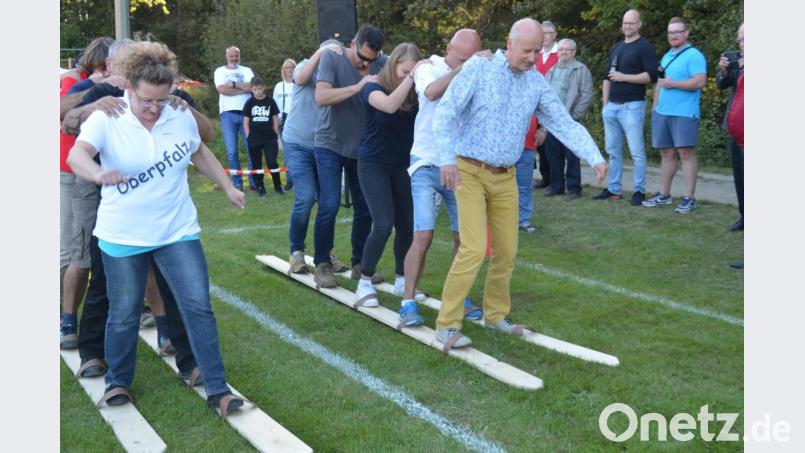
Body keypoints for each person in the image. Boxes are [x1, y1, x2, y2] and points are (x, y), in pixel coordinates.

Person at [67, 41, 247, 415]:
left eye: (160, 101)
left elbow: (198, 150)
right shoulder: (108, 117)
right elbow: (76, 154)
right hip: (122, 236)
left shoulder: (177, 112)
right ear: (129, 88)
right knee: (124, 312)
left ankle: (217, 388)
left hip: (176, 230)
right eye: (146, 100)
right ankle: (118, 383)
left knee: (198, 306)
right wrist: (98, 173)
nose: (153, 109)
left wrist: (228, 185)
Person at [433, 19, 607, 348]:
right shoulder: (478, 69)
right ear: (509, 43)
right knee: (472, 248)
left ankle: (495, 315)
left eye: (537, 50)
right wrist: (444, 159)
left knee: (507, 252)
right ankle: (447, 324)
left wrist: (595, 157)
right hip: (468, 170)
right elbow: (446, 112)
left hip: (506, 176)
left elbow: (564, 124)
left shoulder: (536, 84)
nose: (532, 57)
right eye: (526, 50)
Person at [403, 28, 483, 318]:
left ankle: (460, 297)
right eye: (461, 57)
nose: (464, 62)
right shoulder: (429, 67)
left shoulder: (474, 71)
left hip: (458, 166)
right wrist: (465, 69)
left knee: (465, 239)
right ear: (449, 48)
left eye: (471, 58)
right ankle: (408, 301)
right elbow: (431, 92)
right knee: (423, 235)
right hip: (425, 162)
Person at [352, 43, 429, 324]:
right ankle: (364, 281)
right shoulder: (372, 88)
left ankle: (401, 279)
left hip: (402, 165)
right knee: (383, 223)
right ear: (394, 64)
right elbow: (389, 106)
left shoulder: (416, 95)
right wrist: (412, 77)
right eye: (404, 70)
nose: (407, 75)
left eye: (411, 70)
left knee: (407, 225)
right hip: (372, 163)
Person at [311, 24, 388, 288]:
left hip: (362, 147)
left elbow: (407, 65)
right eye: (362, 58)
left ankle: (359, 264)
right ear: (352, 44)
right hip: (329, 143)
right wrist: (358, 87)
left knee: (365, 208)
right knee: (329, 204)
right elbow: (321, 96)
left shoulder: (381, 62)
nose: (367, 64)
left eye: (372, 60)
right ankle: (322, 264)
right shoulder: (333, 57)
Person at [60, 36, 114, 349]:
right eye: (105, 65)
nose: (110, 71)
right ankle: (68, 320)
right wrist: (93, 90)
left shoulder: (123, 83)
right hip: (75, 173)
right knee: (76, 253)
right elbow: (63, 114)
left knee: (133, 250)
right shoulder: (75, 81)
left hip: (114, 178)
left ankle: (145, 312)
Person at [282, 40, 345, 274]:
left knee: (328, 203)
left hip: (324, 146)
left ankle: (326, 253)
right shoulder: (305, 66)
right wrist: (322, 51)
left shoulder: (337, 73)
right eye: (331, 54)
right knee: (306, 198)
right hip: (297, 143)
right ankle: (296, 253)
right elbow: (298, 78)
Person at [593, 9, 658, 205]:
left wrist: (624, 77)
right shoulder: (617, 47)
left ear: (639, 24)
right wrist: (605, 104)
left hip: (632, 106)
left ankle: (639, 190)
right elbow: (607, 78)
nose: (627, 26)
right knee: (613, 151)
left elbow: (651, 76)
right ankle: (614, 189)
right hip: (612, 107)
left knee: (637, 152)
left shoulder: (644, 47)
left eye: (631, 23)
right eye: (624, 23)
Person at [642, 17, 707, 214]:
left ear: (686, 33)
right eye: (671, 32)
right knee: (666, 154)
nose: (674, 35)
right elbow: (660, 84)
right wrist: (655, 108)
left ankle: (689, 197)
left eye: (678, 32)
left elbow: (699, 82)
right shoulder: (667, 56)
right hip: (663, 112)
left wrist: (674, 84)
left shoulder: (694, 55)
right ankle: (664, 194)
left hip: (684, 112)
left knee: (685, 154)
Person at [544, 39, 594, 200]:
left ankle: (573, 189)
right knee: (553, 154)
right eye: (561, 50)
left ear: (574, 52)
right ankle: (556, 186)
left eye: (567, 50)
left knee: (572, 155)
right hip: (553, 120)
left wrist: (575, 116)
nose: (563, 53)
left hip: (570, 120)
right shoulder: (552, 70)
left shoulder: (580, 70)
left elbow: (586, 95)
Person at [214, 46, 256, 191]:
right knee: (232, 151)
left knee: (251, 149)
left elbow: (252, 87)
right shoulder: (220, 71)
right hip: (228, 114)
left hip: (246, 114)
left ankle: (253, 182)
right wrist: (242, 88)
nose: (234, 58)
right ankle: (237, 184)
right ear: (227, 56)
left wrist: (233, 84)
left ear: (239, 56)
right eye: (231, 56)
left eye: (236, 56)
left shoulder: (247, 70)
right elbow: (221, 89)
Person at [717, 23, 744, 232]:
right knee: (740, 174)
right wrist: (724, 71)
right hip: (737, 129)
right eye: (740, 40)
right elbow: (722, 84)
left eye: (745, 40)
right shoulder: (738, 61)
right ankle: (744, 215)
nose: (741, 45)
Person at [243, 76, 283, 197]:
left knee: (272, 162)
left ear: (264, 87)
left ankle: (278, 186)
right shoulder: (249, 103)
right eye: (255, 89)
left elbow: (275, 119)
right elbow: (245, 121)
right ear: (251, 89)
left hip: (269, 138)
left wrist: (275, 134)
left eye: (260, 88)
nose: (258, 91)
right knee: (256, 164)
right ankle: (260, 187)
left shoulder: (270, 101)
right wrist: (248, 136)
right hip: (254, 138)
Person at [531, 20, 559, 190]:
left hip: (550, 102)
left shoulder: (560, 53)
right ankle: (544, 176)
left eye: (549, 33)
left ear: (554, 35)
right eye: (543, 33)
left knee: (549, 144)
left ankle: (553, 179)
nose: (546, 37)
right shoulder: (536, 54)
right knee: (537, 142)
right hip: (534, 102)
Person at [274, 58, 297, 191]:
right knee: (287, 152)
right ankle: (289, 179)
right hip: (283, 119)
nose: (289, 70)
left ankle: (297, 178)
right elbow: (275, 107)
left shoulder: (298, 84)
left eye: (292, 67)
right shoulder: (279, 86)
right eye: (287, 68)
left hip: (295, 118)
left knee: (296, 151)